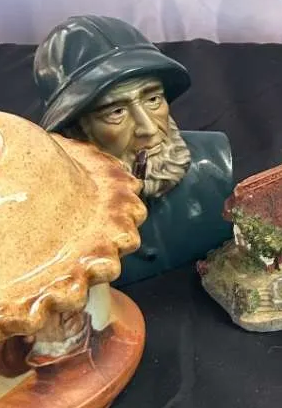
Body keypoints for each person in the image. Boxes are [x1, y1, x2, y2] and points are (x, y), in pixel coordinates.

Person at [34, 15, 234, 283]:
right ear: (76, 129)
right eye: (116, 112)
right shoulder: (58, 214)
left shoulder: (214, 164)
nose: (148, 129)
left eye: (153, 99)